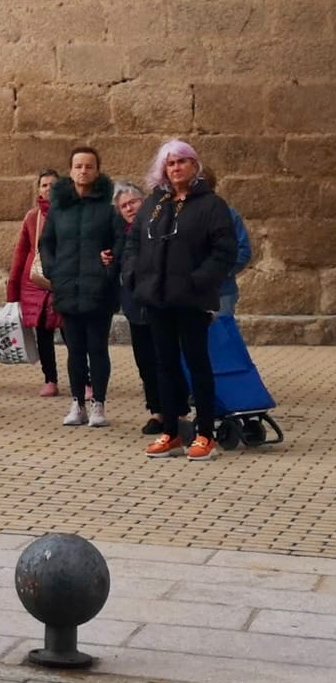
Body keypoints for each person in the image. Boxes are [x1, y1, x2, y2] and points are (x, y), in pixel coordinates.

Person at [125, 139, 237, 461]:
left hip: (191, 299)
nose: (176, 169)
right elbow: (134, 242)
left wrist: (196, 281)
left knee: (198, 364)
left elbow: (224, 251)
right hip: (157, 298)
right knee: (165, 365)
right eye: (170, 164)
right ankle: (171, 432)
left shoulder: (211, 205)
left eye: (182, 162)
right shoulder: (154, 203)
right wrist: (134, 276)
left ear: (194, 165)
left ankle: (204, 433)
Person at [40, 148, 125, 429]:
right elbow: (47, 243)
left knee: (97, 348)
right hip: (67, 286)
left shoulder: (108, 207)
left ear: (97, 170)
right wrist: (53, 270)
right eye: (78, 166)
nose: (83, 171)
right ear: (71, 170)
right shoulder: (59, 208)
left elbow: (119, 242)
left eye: (89, 166)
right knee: (75, 349)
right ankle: (77, 403)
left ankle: (98, 402)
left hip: (98, 289)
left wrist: (108, 268)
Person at [113, 180, 164, 435]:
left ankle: (174, 409)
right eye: (124, 205)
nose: (130, 208)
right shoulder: (120, 235)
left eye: (133, 202)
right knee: (145, 362)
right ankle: (156, 411)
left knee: (164, 359)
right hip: (135, 308)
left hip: (159, 304)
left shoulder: (157, 226)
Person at [6, 169, 62, 398]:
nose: (48, 188)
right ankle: (50, 379)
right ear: (38, 189)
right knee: (43, 334)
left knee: (72, 333)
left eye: (53, 185)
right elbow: (21, 251)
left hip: (64, 280)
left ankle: (85, 379)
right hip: (36, 282)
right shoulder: (32, 217)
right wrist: (12, 289)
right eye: (44, 185)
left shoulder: (69, 213)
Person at [203, 169, 253, 317]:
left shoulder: (229, 214)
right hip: (189, 294)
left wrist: (218, 272)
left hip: (222, 293)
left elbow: (243, 251)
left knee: (222, 337)